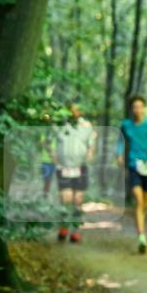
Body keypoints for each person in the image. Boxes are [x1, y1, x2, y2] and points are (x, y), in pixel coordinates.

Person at [117, 95, 147, 254]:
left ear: (144, 108)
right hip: (133, 165)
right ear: (131, 109)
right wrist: (119, 154)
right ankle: (142, 237)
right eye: (134, 107)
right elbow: (120, 141)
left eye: (140, 106)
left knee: (144, 202)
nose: (137, 109)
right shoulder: (126, 125)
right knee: (138, 200)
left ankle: (141, 221)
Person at [52, 104, 96, 243]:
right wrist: (54, 158)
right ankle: (64, 226)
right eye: (71, 109)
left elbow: (91, 144)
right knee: (66, 198)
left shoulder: (86, 125)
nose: (73, 112)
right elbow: (51, 143)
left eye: (76, 109)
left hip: (81, 167)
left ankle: (75, 230)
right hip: (63, 167)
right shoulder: (59, 125)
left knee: (78, 200)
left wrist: (90, 153)